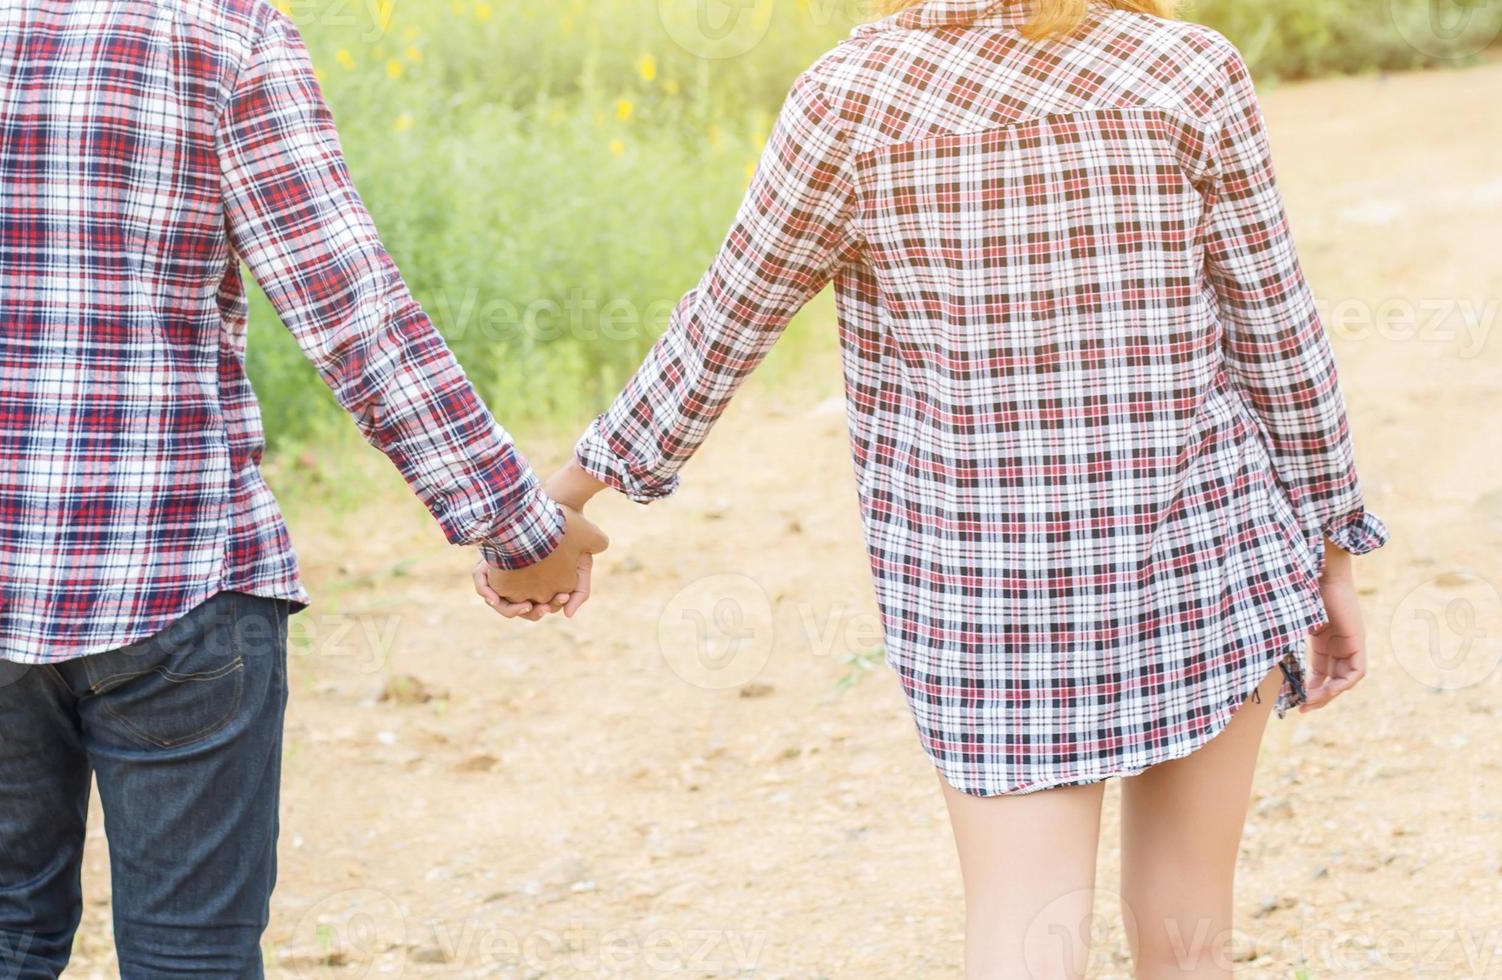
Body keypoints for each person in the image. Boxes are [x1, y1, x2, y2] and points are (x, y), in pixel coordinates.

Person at [539, 0, 1386, 974]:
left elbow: (725, 321)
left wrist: (566, 492)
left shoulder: (851, 97)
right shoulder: (1186, 69)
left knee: (1024, 928)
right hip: (1201, 550)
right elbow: (1278, 332)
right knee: (1188, 930)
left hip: (986, 595)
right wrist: (1330, 543)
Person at [0, 0, 599, 975]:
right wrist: (514, 522)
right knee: (188, 953)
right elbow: (346, 304)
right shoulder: (220, 25)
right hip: (177, 580)